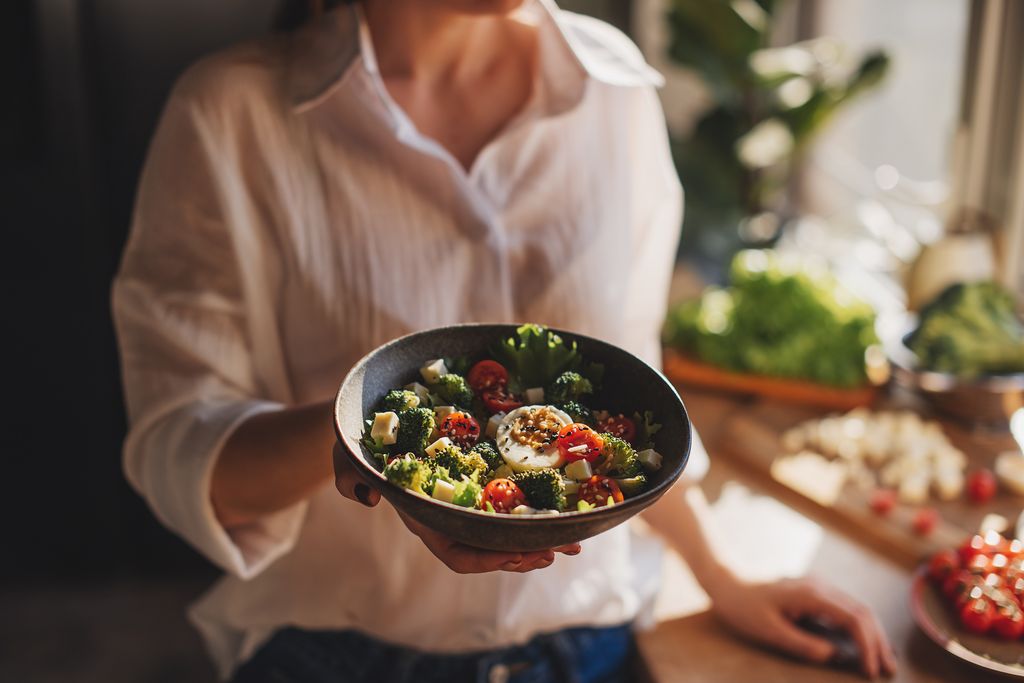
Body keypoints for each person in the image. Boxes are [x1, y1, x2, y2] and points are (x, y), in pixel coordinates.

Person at [112, 0, 897, 681]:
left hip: (587, 648)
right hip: (335, 656)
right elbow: (182, 450)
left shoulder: (614, 90)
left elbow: (630, 386)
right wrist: (364, 445)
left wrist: (725, 575)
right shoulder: (231, 112)